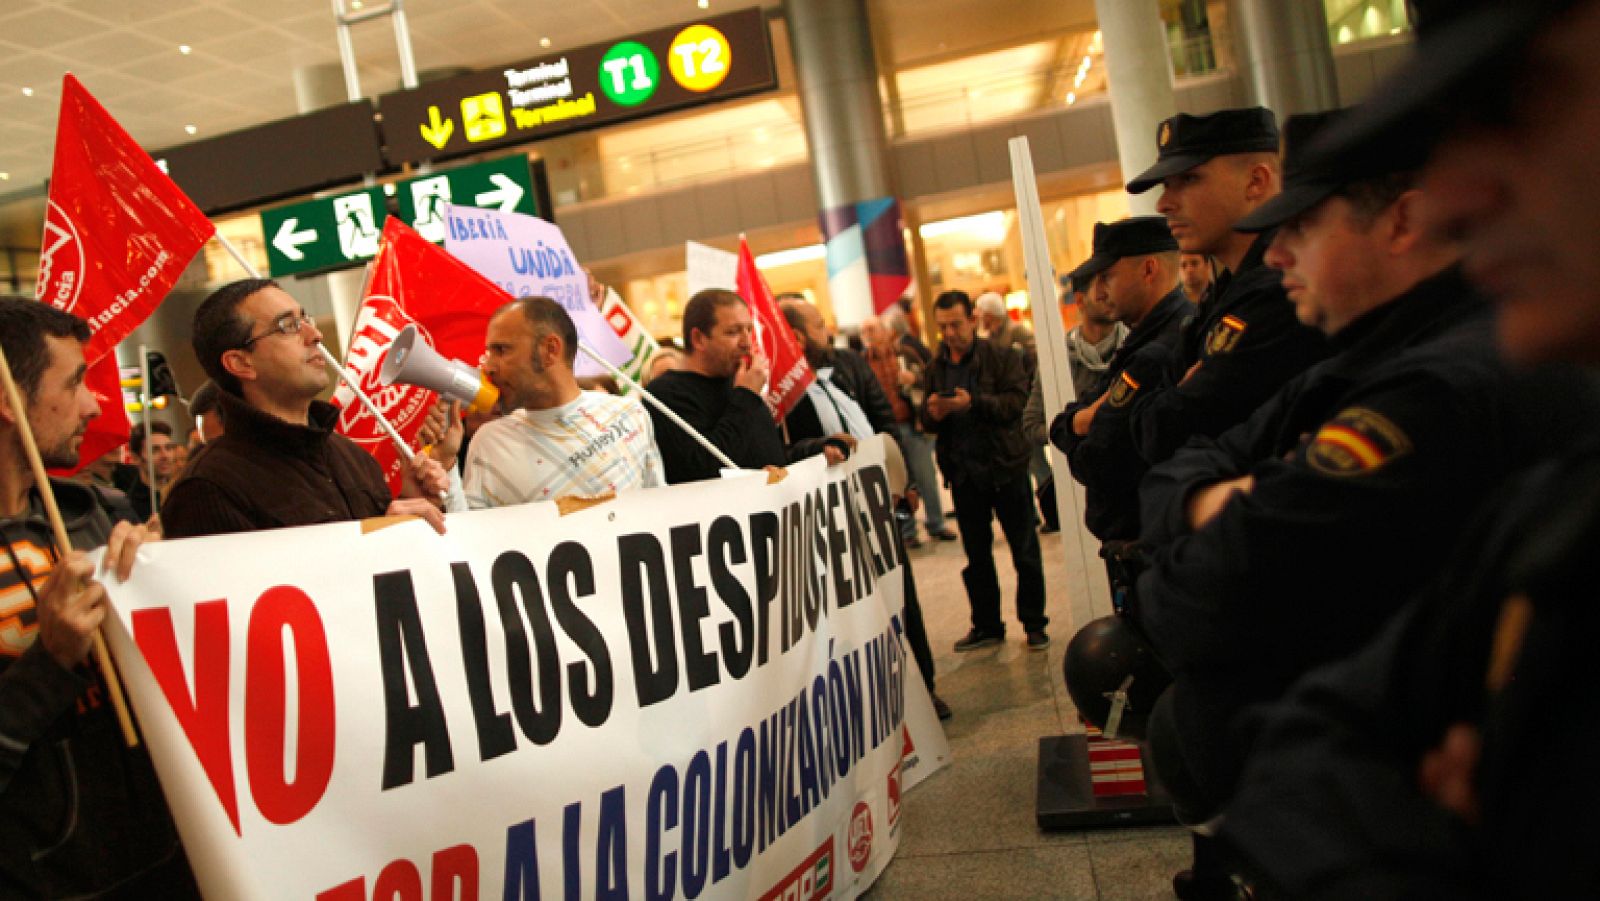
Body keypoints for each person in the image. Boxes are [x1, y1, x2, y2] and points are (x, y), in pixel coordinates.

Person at [1215, 2, 1600, 896]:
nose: (1459, 198)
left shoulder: (1459, 394)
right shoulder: (1560, 511)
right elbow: (1297, 756)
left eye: (1516, 106)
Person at [0, 298, 195, 898]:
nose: (95, 403)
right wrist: (49, 662)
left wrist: (170, 582)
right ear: (8, 401)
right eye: (76, 381)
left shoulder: (99, 516)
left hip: (172, 866)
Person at [160, 279, 449, 538]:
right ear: (240, 363)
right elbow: (256, 592)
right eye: (288, 326)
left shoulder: (354, 458)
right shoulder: (208, 487)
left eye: (305, 319)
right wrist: (372, 542)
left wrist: (410, 504)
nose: (315, 335)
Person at [1125, 107, 1328, 465]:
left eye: (1188, 179)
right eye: (1165, 186)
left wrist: (1169, 398)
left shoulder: (1283, 291)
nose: (1163, 203)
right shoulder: (1225, 289)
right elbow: (1143, 426)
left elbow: (1161, 434)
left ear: (1256, 181)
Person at [1048, 217, 1188, 544]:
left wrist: (1073, 426)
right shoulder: (1146, 337)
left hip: (1152, 541)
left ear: (1149, 270)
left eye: (1107, 276)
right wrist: (1079, 421)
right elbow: (1066, 419)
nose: (1098, 292)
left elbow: (1096, 462)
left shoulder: (1156, 352)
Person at [921, 290, 1048, 651]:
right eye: (943, 326)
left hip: (1005, 466)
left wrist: (972, 404)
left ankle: (1034, 623)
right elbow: (926, 423)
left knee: (1024, 550)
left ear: (973, 320)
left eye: (956, 324)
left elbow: (1017, 404)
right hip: (964, 475)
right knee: (977, 557)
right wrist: (934, 412)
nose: (950, 333)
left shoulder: (1003, 356)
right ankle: (988, 624)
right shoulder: (936, 367)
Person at [465, 297, 662, 508]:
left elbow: (660, 509)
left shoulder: (630, 416)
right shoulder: (488, 444)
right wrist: (446, 466)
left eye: (501, 350)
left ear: (550, 349)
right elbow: (470, 533)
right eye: (489, 352)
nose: (489, 367)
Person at [646, 289, 786, 484]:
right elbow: (705, 467)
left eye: (749, 330)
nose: (746, 343)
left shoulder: (739, 383)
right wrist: (746, 396)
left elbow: (769, 455)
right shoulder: (665, 394)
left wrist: (817, 449)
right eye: (733, 332)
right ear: (699, 339)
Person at [119, 421, 177, 523]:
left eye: (168, 448)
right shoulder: (127, 506)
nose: (165, 455)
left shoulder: (182, 494)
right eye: (154, 450)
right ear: (136, 458)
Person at [975, 291, 1035, 361]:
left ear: (989, 314)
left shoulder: (1016, 329)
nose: (977, 314)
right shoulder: (988, 333)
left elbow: (1036, 353)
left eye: (979, 310)